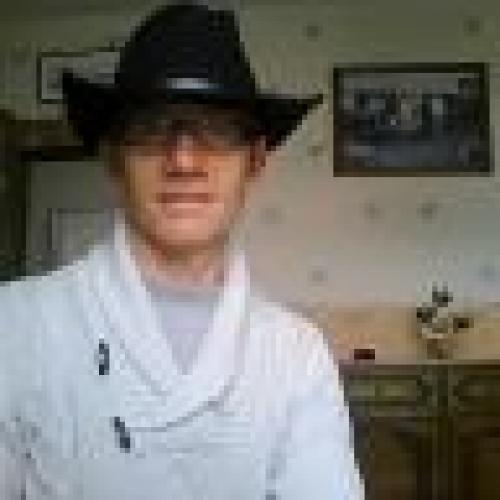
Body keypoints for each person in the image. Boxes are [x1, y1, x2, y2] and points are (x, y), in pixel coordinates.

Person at [0, 3, 364, 499]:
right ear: (113, 160)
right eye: (152, 128)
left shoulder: (297, 354)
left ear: (255, 162)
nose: (184, 160)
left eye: (217, 128)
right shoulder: (14, 325)